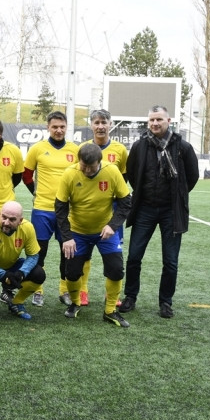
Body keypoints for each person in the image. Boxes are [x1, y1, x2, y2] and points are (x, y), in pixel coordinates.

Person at [119, 105, 199, 319]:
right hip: (144, 209)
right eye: (151, 120)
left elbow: (191, 177)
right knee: (134, 256)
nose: (155, 123)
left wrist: (177, 196)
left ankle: (166, 302)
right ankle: (130, 297)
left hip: (171, 212)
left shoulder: (183, 147)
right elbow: (133, 175)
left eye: (159, 120)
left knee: (170, 261)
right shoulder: (139, 146)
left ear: (168, 120)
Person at [55, 143, 132, 327]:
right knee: (72, 273)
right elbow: (60, 208)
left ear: (100, 162)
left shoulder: (112, 172)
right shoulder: (69, 174)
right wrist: (67, 237)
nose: (88, 171)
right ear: (78, 160)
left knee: (116, 269)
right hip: (77, 233)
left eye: (92, 167)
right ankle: (75, 304)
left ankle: (110, 311)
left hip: (105, 232)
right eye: (84, 166)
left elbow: (126, 202)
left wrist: (112, 226)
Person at [22, 110, 80, 308]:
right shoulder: (37, 149)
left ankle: (64, 290)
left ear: (66, 128)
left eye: (62, 127)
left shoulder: (75, 150)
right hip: (42, 210)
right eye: (54, 127)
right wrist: (36, 193)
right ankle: (37, 290)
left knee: (68, 252)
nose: (58, 130)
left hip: (67, 211)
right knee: (39, 252)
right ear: (48, 127)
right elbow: (26, 175)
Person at [75, 108, 129, 306]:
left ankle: (112, 295)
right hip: (87, 209)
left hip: (112, 208)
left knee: (115, 252)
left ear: (110, 124)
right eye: (96, 122)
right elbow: (78, 174)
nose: (100, 126)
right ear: (91, 125)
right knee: (84, 253)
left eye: (104, 122)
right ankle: (83, 291)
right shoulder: (81, 148)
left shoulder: (120, 149)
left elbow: (123, 177)